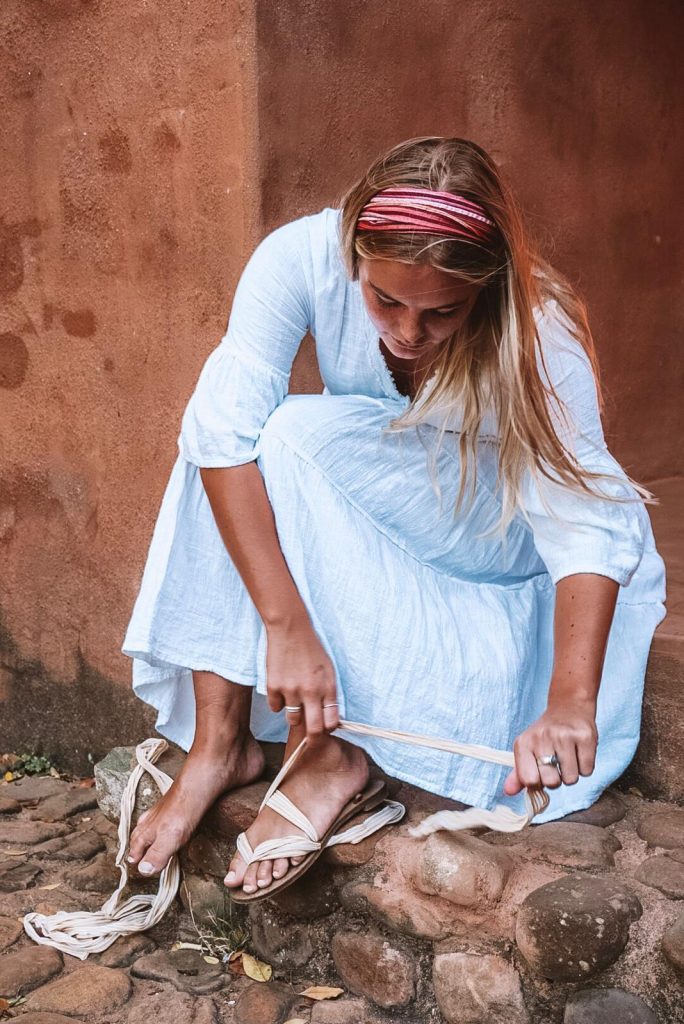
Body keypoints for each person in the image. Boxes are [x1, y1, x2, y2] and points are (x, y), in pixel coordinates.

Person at [121, 136, 666, 900]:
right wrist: (286, 626)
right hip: (402, 495)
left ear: (486, 287)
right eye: (386, 301)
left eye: (443, 312)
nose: (409, 333)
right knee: (237, 430)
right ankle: (220, 744)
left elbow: (584, 521)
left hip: (501, 537)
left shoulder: (536, 326)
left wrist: (570, 700)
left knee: (290, 437)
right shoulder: (299, 257)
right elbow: (218, 437)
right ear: (352, 251)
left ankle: (336, 751)